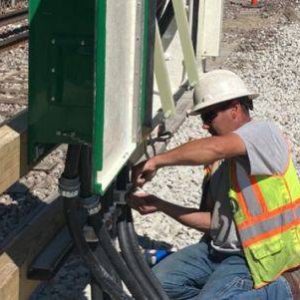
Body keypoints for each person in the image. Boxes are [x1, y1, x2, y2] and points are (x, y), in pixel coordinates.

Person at [128, 69, 300, 299]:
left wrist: (156, 161)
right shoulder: (221, 167)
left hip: (250, 257)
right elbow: (213, 223)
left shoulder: (264, 134)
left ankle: (286, 289)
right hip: (215, 251)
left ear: (235, 109)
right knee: (155, 286)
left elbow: (213, 148)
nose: (204, 126)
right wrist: (159, 204)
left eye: (208, 116)